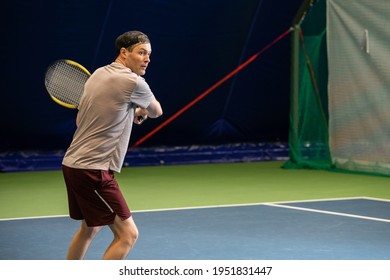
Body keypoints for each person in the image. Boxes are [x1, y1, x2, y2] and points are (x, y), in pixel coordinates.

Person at [61, 30, 163, 260]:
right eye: (141, 53)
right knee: (128, 235)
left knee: (90, 227)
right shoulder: (134, 82)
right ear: (124, 53)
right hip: (93, 169)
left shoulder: (97, 74)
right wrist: (143, 109)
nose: (147, 59)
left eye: (149, 54)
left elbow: (82, 119)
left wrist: (132, 112)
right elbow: (157, 111)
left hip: (72, 165)